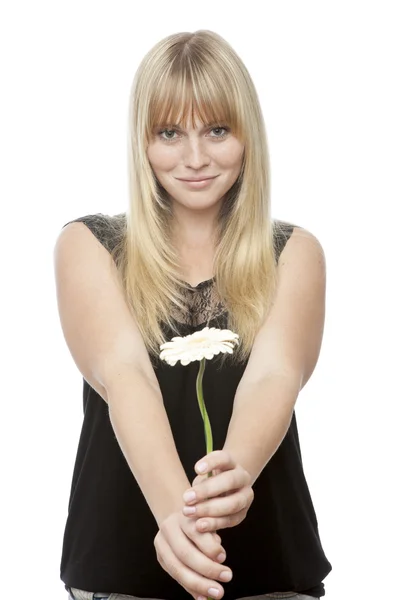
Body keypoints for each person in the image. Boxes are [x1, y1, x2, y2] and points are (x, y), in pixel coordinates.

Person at [54, 29, 332, 600]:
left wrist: (234, 479)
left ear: (246, 135)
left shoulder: (295, 254)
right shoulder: (90, 246)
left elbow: (275, 376)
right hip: (119, 576)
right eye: (170, 133)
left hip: (266, 577)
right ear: (143, 141)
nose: (196, 158)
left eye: (217, 130)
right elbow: (124, 374)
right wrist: (178, 523)